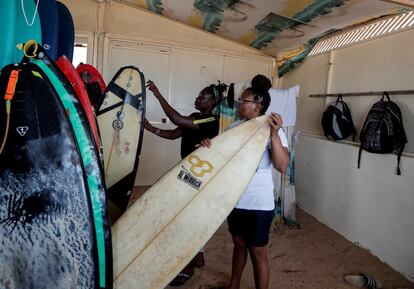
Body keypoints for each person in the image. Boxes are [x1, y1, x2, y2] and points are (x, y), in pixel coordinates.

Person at [200, 85, 289, 289]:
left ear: (258, 104)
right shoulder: (234, 127)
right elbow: (221, 157)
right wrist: (208, 145)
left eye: (244, 100)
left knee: (258, 252)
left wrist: (274, 134)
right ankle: (234, 285)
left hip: (258, 202)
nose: (239, 103)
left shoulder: (273, 129)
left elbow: (282, 165)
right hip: (234, 198)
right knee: (239, 244)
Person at [144, 80, 220, 286]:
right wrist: (151, 129)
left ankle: (187, 264)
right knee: (188, 216)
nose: (197, 98)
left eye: (202, 96)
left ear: (212, 102)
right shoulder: (195, 118)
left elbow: (176, 119)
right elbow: (174, 134)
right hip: (186, 174)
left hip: (199, 177)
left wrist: (158, 95)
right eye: (198, 95)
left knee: (188, 219)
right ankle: (198, 256)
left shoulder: (211, 120)